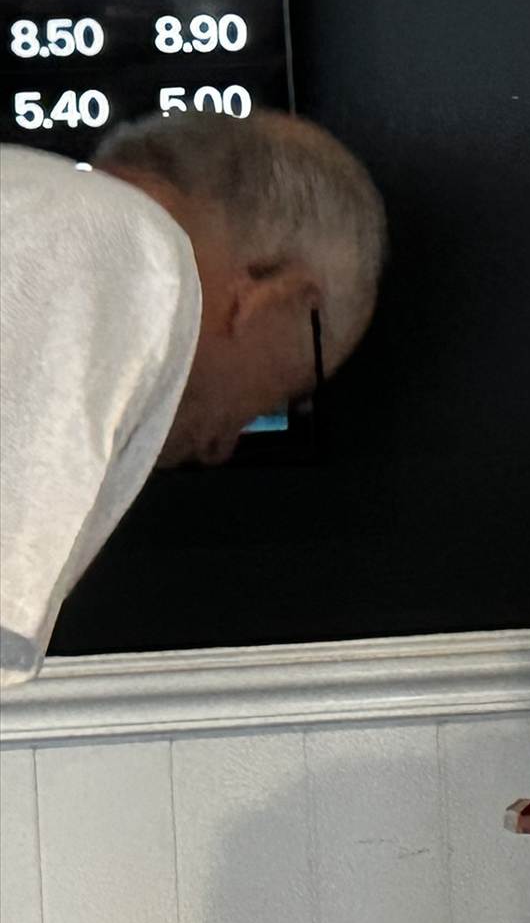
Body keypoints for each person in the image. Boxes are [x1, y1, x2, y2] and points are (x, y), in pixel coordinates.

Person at [0, 111, 385, 685]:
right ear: (283, 300)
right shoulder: (133, 262)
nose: (218, 446)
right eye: (284, 396)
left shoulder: (29, 197)